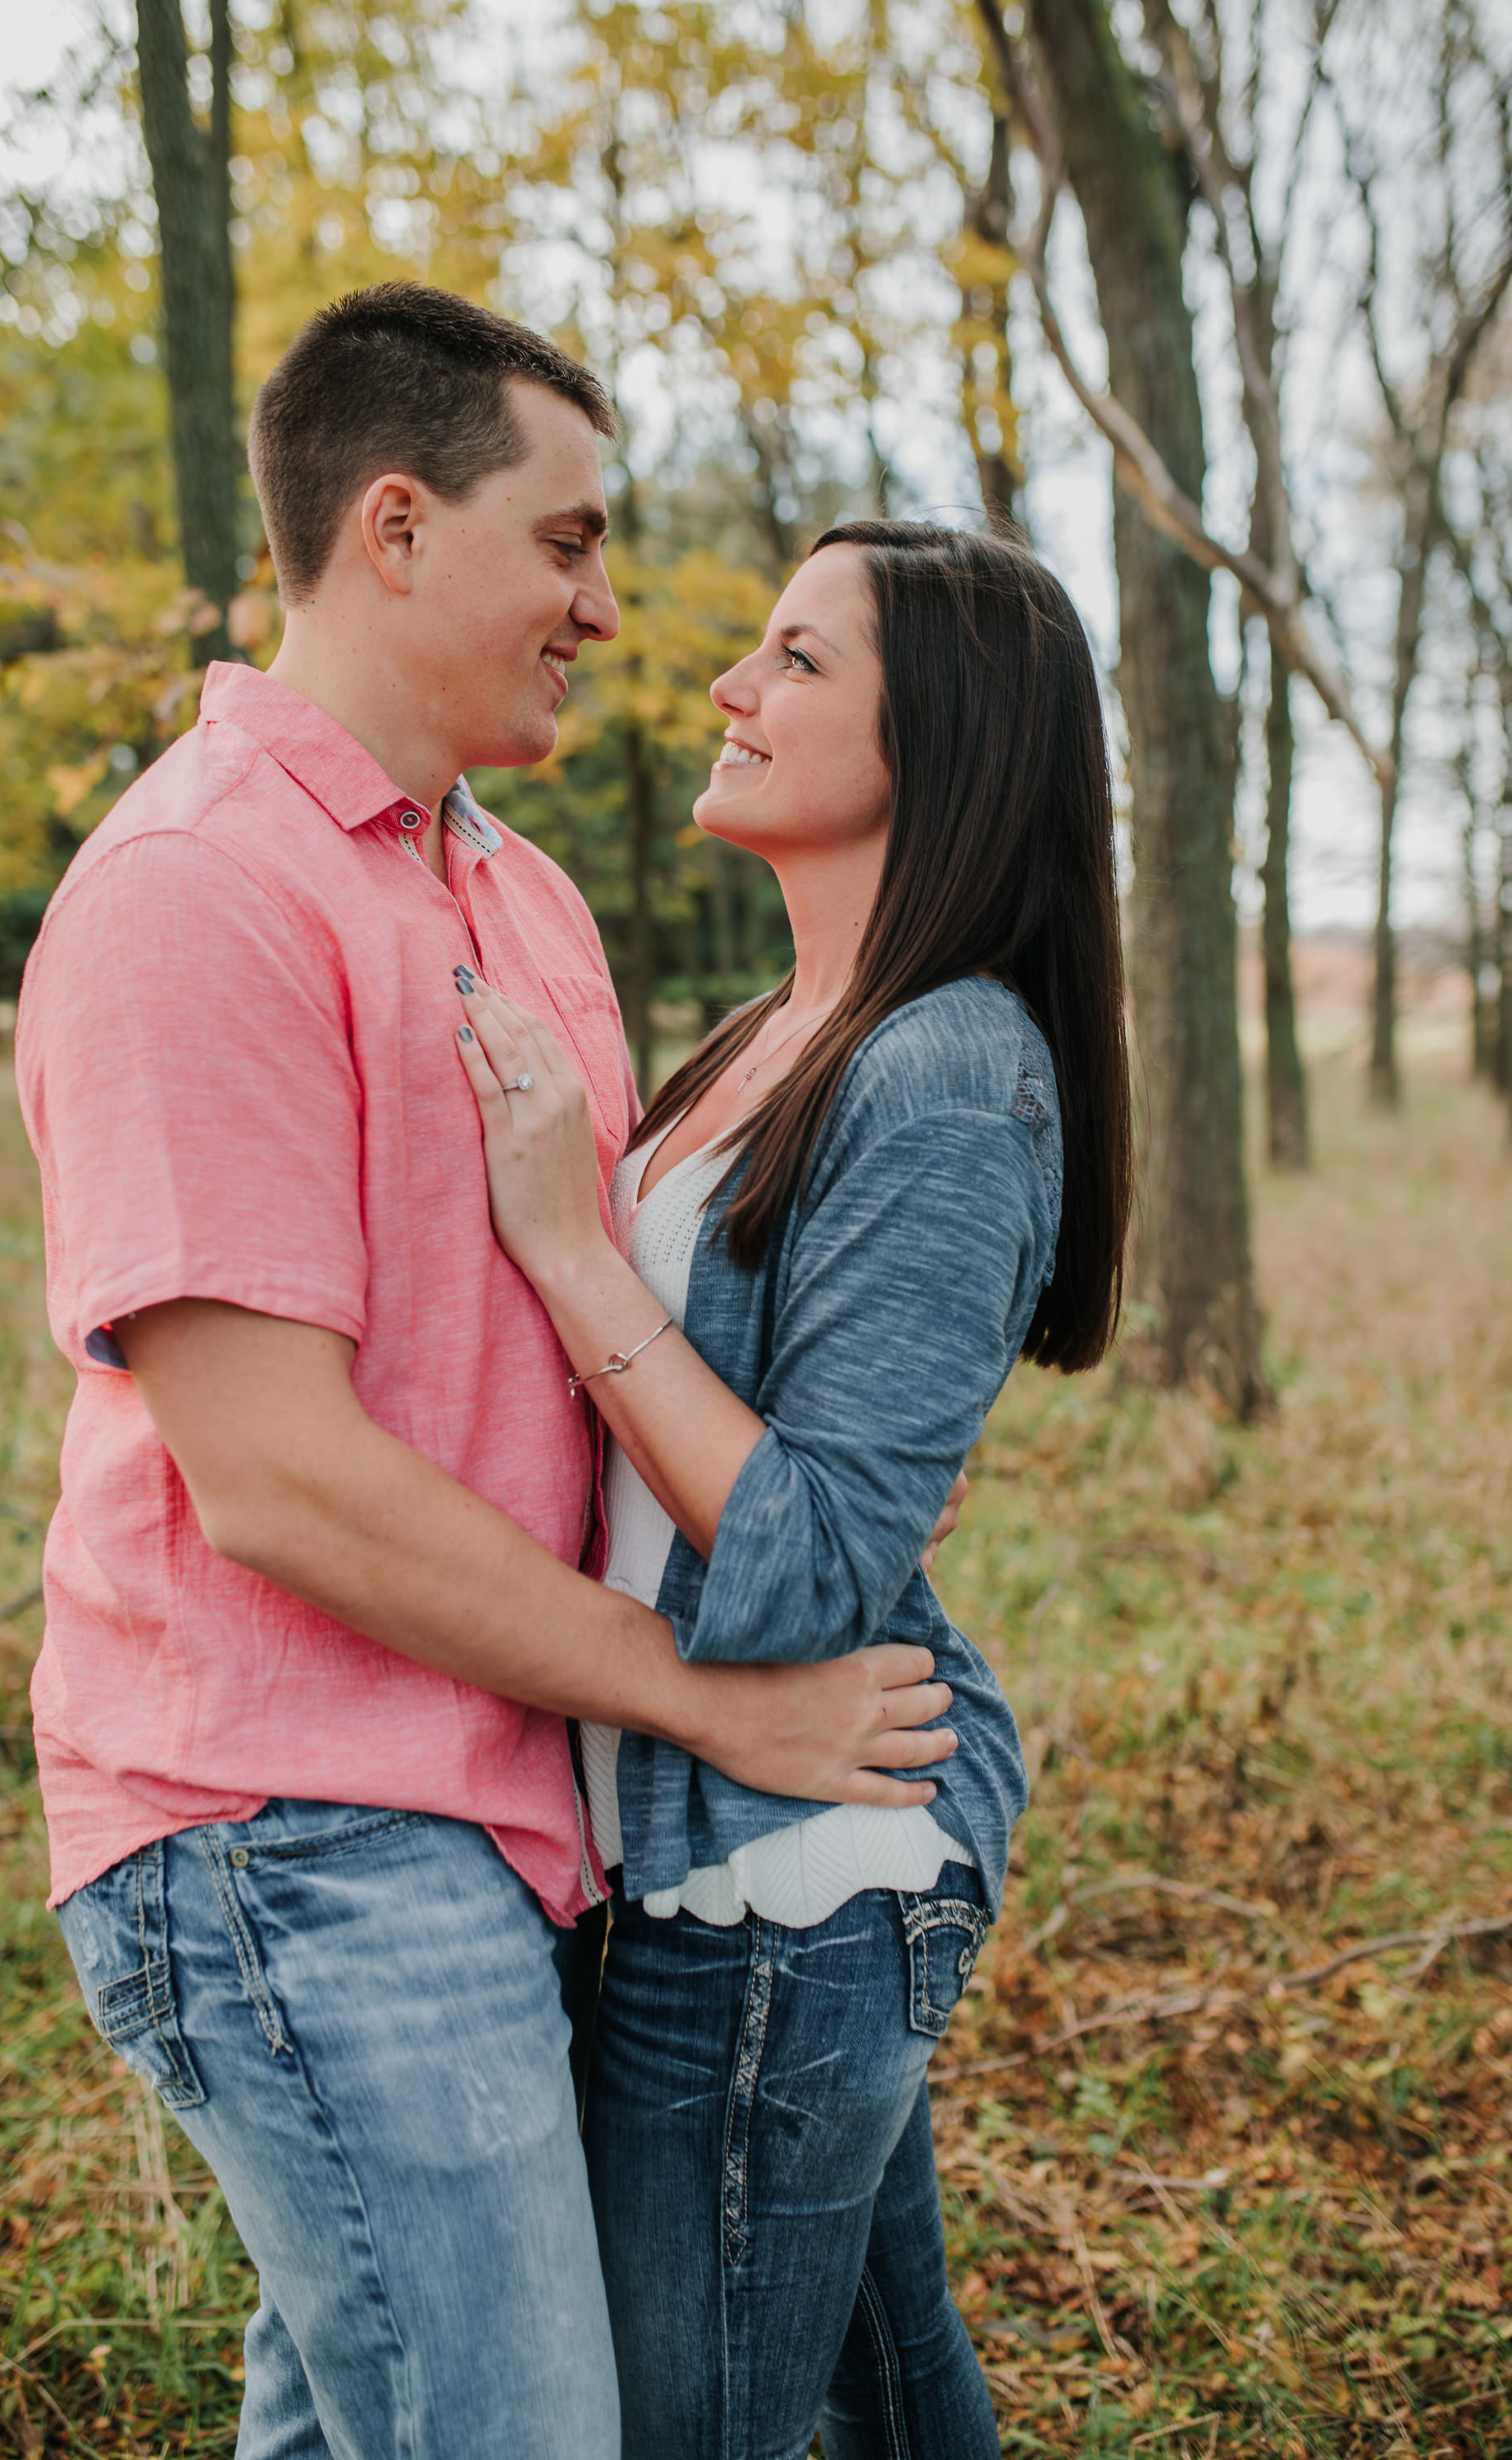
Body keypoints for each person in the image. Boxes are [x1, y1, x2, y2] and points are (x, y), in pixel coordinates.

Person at [14, 289, 960, 2460]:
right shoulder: (197, 890)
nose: (609, 610)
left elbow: (587, 1335)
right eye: (569, 544)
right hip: (293, 1832)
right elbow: (273, 1478)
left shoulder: (525, 903)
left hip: (509, 1815)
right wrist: (709, 1697)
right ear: (398, 524)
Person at [452, 518, 1133, 2458]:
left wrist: (573, 1252)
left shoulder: (946, 1070)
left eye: (796, 660)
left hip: (786, 1887)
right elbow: (774, 1464)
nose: (732, 692)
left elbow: (817, 1556)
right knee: (895, 2392)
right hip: (710, 1846)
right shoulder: (777, 1033)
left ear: (948, 744)